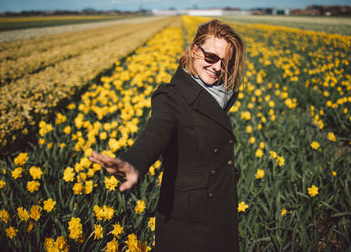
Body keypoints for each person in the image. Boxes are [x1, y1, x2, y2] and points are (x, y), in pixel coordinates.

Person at [89, 19, 245, 252]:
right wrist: (134, 163)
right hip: (189, 220)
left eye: (225, 62)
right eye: (211, 57)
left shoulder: (220, 94)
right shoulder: (170, 97)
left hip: (220, 209)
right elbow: (156, 132)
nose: (217, 68)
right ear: (194, 50)